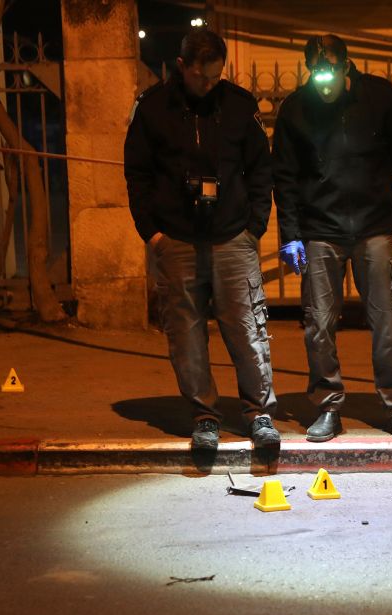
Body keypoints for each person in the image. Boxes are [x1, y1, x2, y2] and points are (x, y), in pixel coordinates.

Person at [123, 29, 280, 450]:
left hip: (232, 237)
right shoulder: (154, 108)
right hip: (176, 238)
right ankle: (205, 415)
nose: (207, 85)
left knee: (247, 330)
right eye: (199, 77)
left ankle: (259, 413)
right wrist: (151, 233)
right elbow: (136, 173)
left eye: (215, 77)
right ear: (182, 67)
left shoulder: (239, 106)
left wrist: (254, 228)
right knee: (187, 334)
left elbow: (260, 170)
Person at [272, 34, 392, 443]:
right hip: (319, 229)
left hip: (374, 226)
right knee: (318, 323)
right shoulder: (295, 109)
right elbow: (286, 177)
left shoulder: (378, 97)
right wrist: (290, 234)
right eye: (316, 77)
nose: (323, 86)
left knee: (387, 320)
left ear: (347, 67)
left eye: (330, 76)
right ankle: (327, 406)